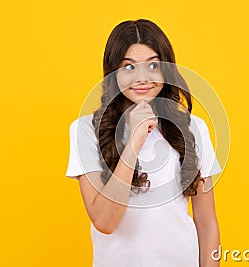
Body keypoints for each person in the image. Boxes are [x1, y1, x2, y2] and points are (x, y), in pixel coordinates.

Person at [65, 19, 223, 267]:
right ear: (113, 72)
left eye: (152, 65)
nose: (142, 78)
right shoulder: (85, 130)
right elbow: (104, 222)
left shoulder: (194, 128)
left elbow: (207, 224)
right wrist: (133, 143)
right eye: (129, 67)